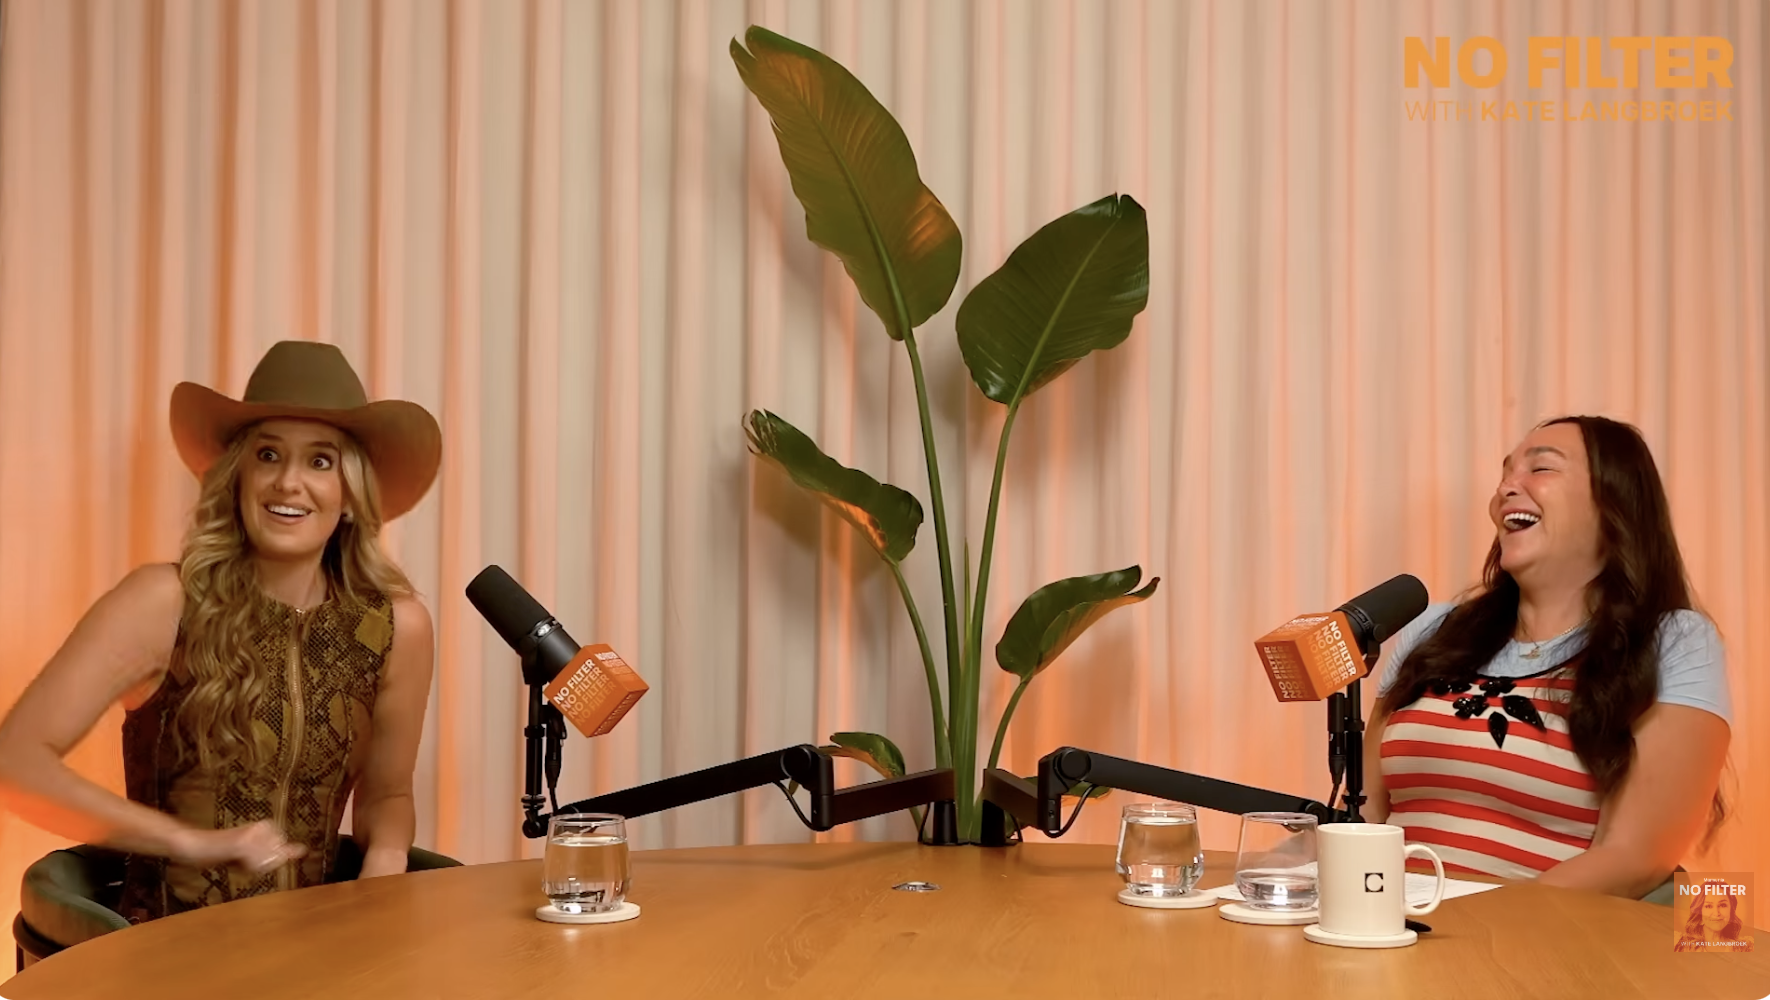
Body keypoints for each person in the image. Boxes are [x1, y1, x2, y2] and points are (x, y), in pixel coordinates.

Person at [0, 341, 441, 923]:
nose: (288, 482)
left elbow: (387, 797)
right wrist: (189, 841)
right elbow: (16, 762)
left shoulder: (395, 627)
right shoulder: (164, 602)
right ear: (236, 477)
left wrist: (379, 882)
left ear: (352, 495)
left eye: (320, 461)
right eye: (267, 455)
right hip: (167, 953)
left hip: (322, 950)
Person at [1363, 415, 1730, 899]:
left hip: (1547, 949)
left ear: (1614, 503)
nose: (1504, 489)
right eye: (1505, 474)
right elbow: (1362, 816)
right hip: (1394, 930)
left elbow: (1637, 858)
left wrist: (1476, 925)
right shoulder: (1434, 628)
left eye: (1541, 469)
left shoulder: (1674, 640)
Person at [1674, 884, 1751, 951]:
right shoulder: (1679, 943)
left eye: (1723, 905)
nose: (1716, 913)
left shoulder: (1745, 947)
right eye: (1708, 906)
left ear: (1731, 911)